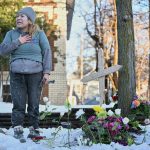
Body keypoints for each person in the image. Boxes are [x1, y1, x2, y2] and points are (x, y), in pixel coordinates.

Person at [0, 7, 52, 142]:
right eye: (17, 16)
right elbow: (3, 51)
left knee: (34, 103)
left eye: (22, 16)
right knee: (18, 103)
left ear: (30, 20)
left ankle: (34, 129)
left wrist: (46, 72)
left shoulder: (39, 34)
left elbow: (46, 52)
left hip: (36, 73)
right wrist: (18, 42)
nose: (18, 18)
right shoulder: (11, 34)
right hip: (17, 74)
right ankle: (17, 128)